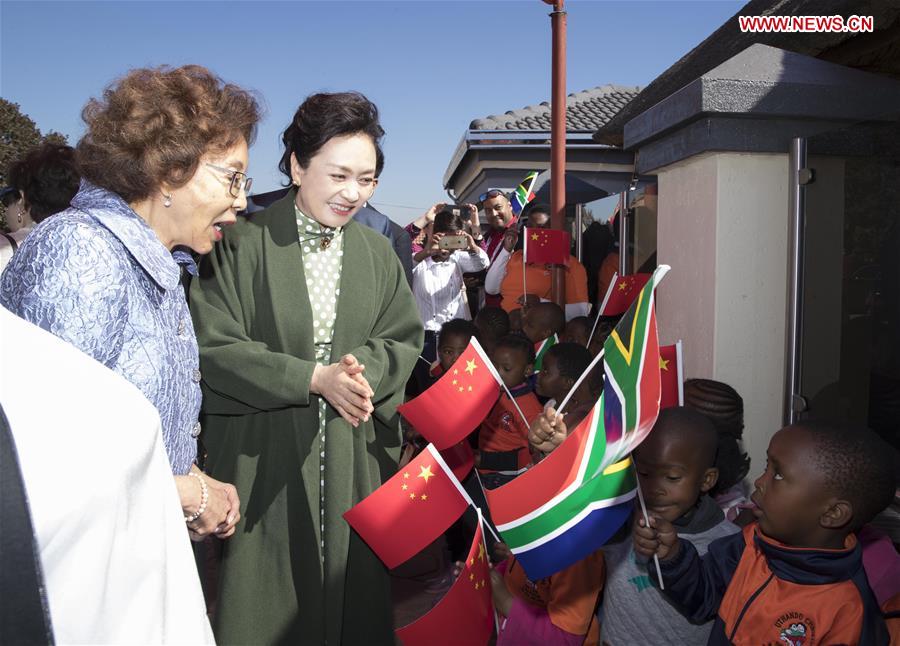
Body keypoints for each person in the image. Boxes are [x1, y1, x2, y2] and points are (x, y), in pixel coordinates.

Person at [189, 91, 423, 645]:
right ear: (296, 166)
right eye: (338, 175)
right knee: (265, 602)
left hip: (351, 460)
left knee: (352, 594)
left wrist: (361, 370)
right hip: (264, 457)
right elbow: (213, 346)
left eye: (366, 180)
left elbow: (402, 337)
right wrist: (312, 379)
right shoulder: (238, 243)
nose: (353, 193)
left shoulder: (377, 252)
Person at [0, 65, 253, 540]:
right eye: (233, 178)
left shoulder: (161, 262)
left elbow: (132, 430)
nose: (241, 201)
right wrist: (189, 496)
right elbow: (43, 453)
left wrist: (192, 474)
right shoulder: (79, 252)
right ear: (171, 171)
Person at [0, 305, 214, 644]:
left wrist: (186, 469)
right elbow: (63, 452)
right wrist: (184, 492)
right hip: (86, 579)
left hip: (136, 560)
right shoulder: (80, 271)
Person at [634, 423, 895, 645]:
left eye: (778, 475)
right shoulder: (750, 545)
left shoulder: (848, 611)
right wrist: (673, 555)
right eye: (767, 467)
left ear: (833, 513)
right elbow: (703, 597)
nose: (759, 481)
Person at [601, 407, 740, 645]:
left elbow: (705, 604)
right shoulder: (622, 519)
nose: (655, 488)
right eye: (644, 473)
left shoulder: (728, 544)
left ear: (706, 480)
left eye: (672, 477)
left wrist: (674, 557)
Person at [411, 208, 490, 392]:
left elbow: (482, 263)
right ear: (434, 235)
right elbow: (406, 265)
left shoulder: (458, 259)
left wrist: (472, 246)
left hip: (457, 339)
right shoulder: (420, 262)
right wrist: (428, 251)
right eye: (444, 239)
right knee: (428, 389)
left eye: (453, 240)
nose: (448, 246)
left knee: (458, 388)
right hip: (427, 339)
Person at [0, 142, 80, 271]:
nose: (6, 209)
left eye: (6, 200)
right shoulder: (83, 248)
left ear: (22, 198)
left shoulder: (5, 247)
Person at [478, 334, 543, 490]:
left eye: (506, 369)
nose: (498, 373)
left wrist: (484, 460)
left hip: (503, 475)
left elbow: (530, 454)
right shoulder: (496, 390)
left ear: (527, 370)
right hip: (483, 464)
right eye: (494, 366)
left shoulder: (528, 408)